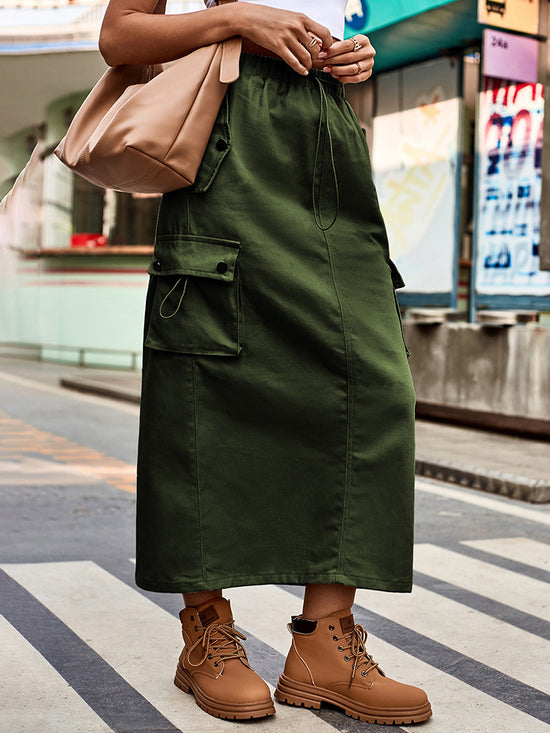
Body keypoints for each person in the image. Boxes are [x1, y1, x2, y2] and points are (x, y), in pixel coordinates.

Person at [99, 0, 432, 725]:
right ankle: (207, 634)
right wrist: (239, 19)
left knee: (372, 383)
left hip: (324, 136)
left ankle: (324, 644)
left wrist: (353, 55)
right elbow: (119, 36)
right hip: (223, 134)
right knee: (206, 377)